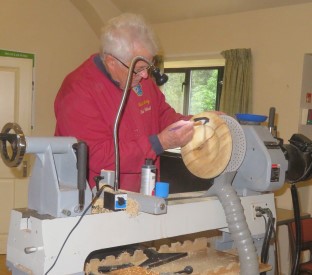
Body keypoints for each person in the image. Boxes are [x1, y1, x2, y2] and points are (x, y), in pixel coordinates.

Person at [54, 13, 194, 192]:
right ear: (112, 62)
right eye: (139, 69)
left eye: (148, 66)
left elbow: (164, 115)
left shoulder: (140, 80)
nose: (145, 75)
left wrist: (199, 122)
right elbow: (96, 156)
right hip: (94, 200)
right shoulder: (77, 90)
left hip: (143, 191)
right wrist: (158, 143)